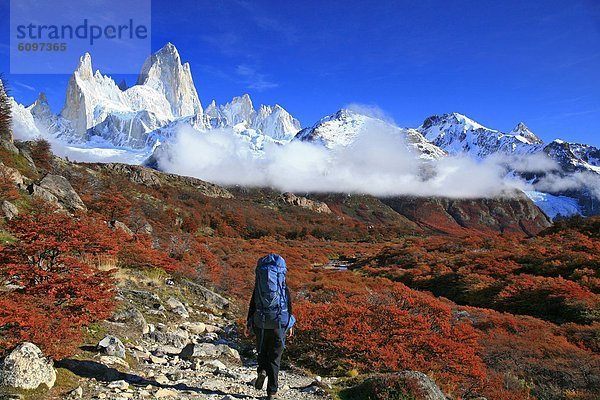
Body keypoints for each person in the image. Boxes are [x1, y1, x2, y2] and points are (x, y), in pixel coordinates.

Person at [244, 254, 295, 400]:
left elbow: (252, 304)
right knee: (275, 357)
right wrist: (289, 324)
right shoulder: (282, 286)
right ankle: (272, 392)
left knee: (262, 351)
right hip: (278, 322)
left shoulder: (259, 287)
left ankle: (261, 371)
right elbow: (288, 305)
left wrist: (248, 323)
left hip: (260, 321)